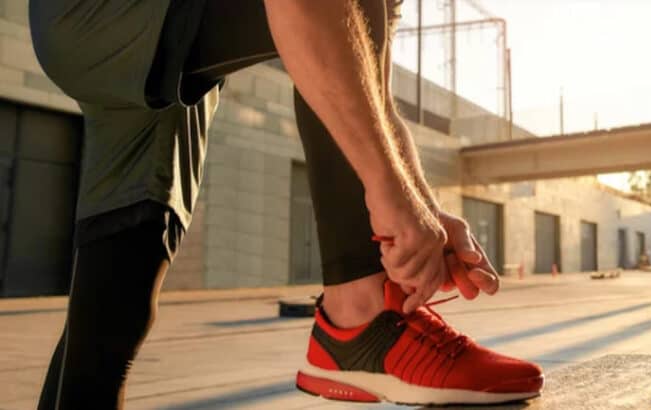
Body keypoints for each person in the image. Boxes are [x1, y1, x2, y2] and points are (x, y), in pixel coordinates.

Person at [29, 1, 543, 408]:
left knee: (107, 328)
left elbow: (367, 97)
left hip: (141, 48)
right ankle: (357, 315)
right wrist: (390, 195)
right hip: (107, 12)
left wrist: (420, 206)